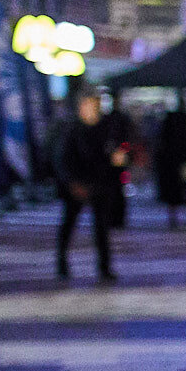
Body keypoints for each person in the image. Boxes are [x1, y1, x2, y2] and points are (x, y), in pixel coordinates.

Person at [55, 91, 128, 281]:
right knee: (69, 224)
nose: (94, 110)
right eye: (90, 105)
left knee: (101, 228)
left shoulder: (106, 128)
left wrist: (117, 161)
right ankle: (62, 263)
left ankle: (104, 267)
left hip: (100, 184)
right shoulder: (72, 130)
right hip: (77, 186)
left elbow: (113, 153)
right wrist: (72, 182)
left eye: (96, 105)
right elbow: (63, 159)